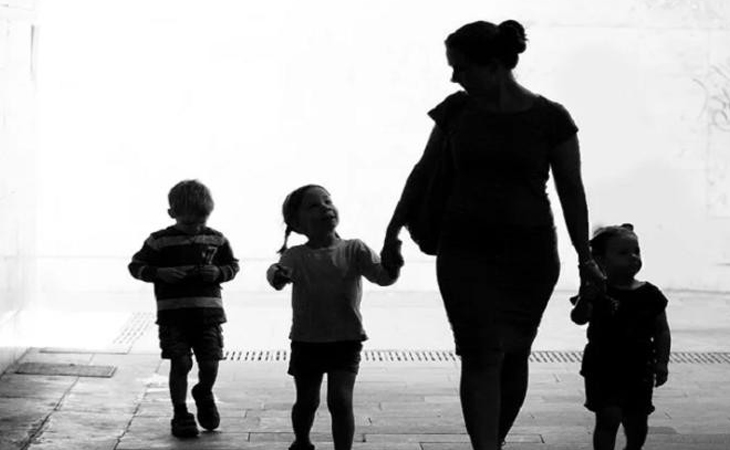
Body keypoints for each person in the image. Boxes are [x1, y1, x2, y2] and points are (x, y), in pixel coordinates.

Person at [380, 20, 605, 450]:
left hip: (530, 256)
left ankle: (492, 443)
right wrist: (393, 229)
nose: (454, 77)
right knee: (479, 353)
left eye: (461, 67)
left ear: (496, 66)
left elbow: (571, 192)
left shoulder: (551, 119)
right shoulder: (456, 111)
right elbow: (423, 171)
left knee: (515, 354)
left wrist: (585, 258)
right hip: (464, 251)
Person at [266, 184, 398, 450]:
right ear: (297, 223)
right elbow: (276, 273)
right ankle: (302, 440)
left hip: (346, 339)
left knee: (341, 400)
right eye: (314, 205)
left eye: (327, 201)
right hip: (306, 341)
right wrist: (277, 276)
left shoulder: (355, 249)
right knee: (307, 401)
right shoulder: (296, 255)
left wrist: (393, 262)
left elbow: (383, 277)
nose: (325, 207)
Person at [128, 179, 240, 438]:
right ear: (172, 214)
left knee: (210, 362)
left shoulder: (217, 239)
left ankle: (203, 391)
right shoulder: (159, 241)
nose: (196, 227)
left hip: (209, 315)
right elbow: (136, 266)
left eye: (201, 220)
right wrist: (159, 273)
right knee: (180, 363)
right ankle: (180, 412)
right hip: (173, 317)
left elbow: (232, 266)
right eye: (189, 222)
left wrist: (219, 272)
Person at [570, 224, 671, 450]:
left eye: (636, 251)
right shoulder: (598, 290)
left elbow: (662, 331)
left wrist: (662, 362)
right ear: (601, 259)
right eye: (623, 253)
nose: (633, 257)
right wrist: (585, 298)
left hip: (639, 366)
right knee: (608, 416)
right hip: (602, 366)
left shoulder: (650, 294)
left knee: (637, 420)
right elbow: (579, 318)